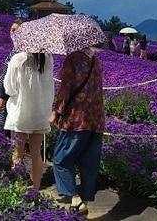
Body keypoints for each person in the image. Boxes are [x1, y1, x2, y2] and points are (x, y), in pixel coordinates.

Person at [52, 44, 105, 214]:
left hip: (77, 119)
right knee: (88, 163)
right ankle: (84, 202)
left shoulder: (73, 59)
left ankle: (75, 197)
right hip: (96, 119)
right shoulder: (95, 61)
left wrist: (56, 112)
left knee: (61, 159)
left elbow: (65, 89)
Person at [3, 33, 53, 189]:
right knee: (36, 154)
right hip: (40, 113)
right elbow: (50, 87)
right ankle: (36, 189)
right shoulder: (48, 58)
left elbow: (9, 89)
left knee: (18, 153)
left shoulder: (18, 59)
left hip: (21, 113)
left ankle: (17, 187)